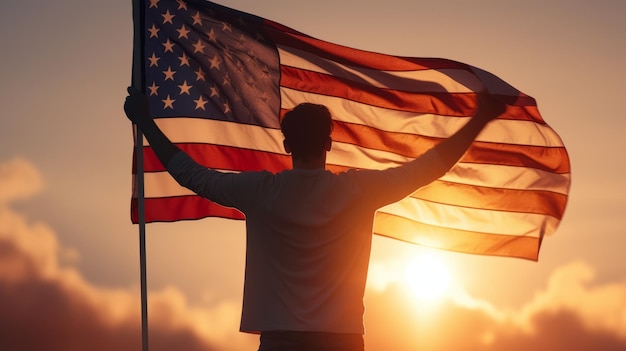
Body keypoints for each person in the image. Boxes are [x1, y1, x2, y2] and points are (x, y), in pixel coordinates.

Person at [124, 87, 505, 351]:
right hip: (342, 341)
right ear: (329, 143)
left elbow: (191, 175)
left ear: (287, 145)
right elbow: (428, 168)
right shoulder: (357, 191)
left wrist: (146, 122)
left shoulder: (261, 192)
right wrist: (480, 119)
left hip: (280, 342)